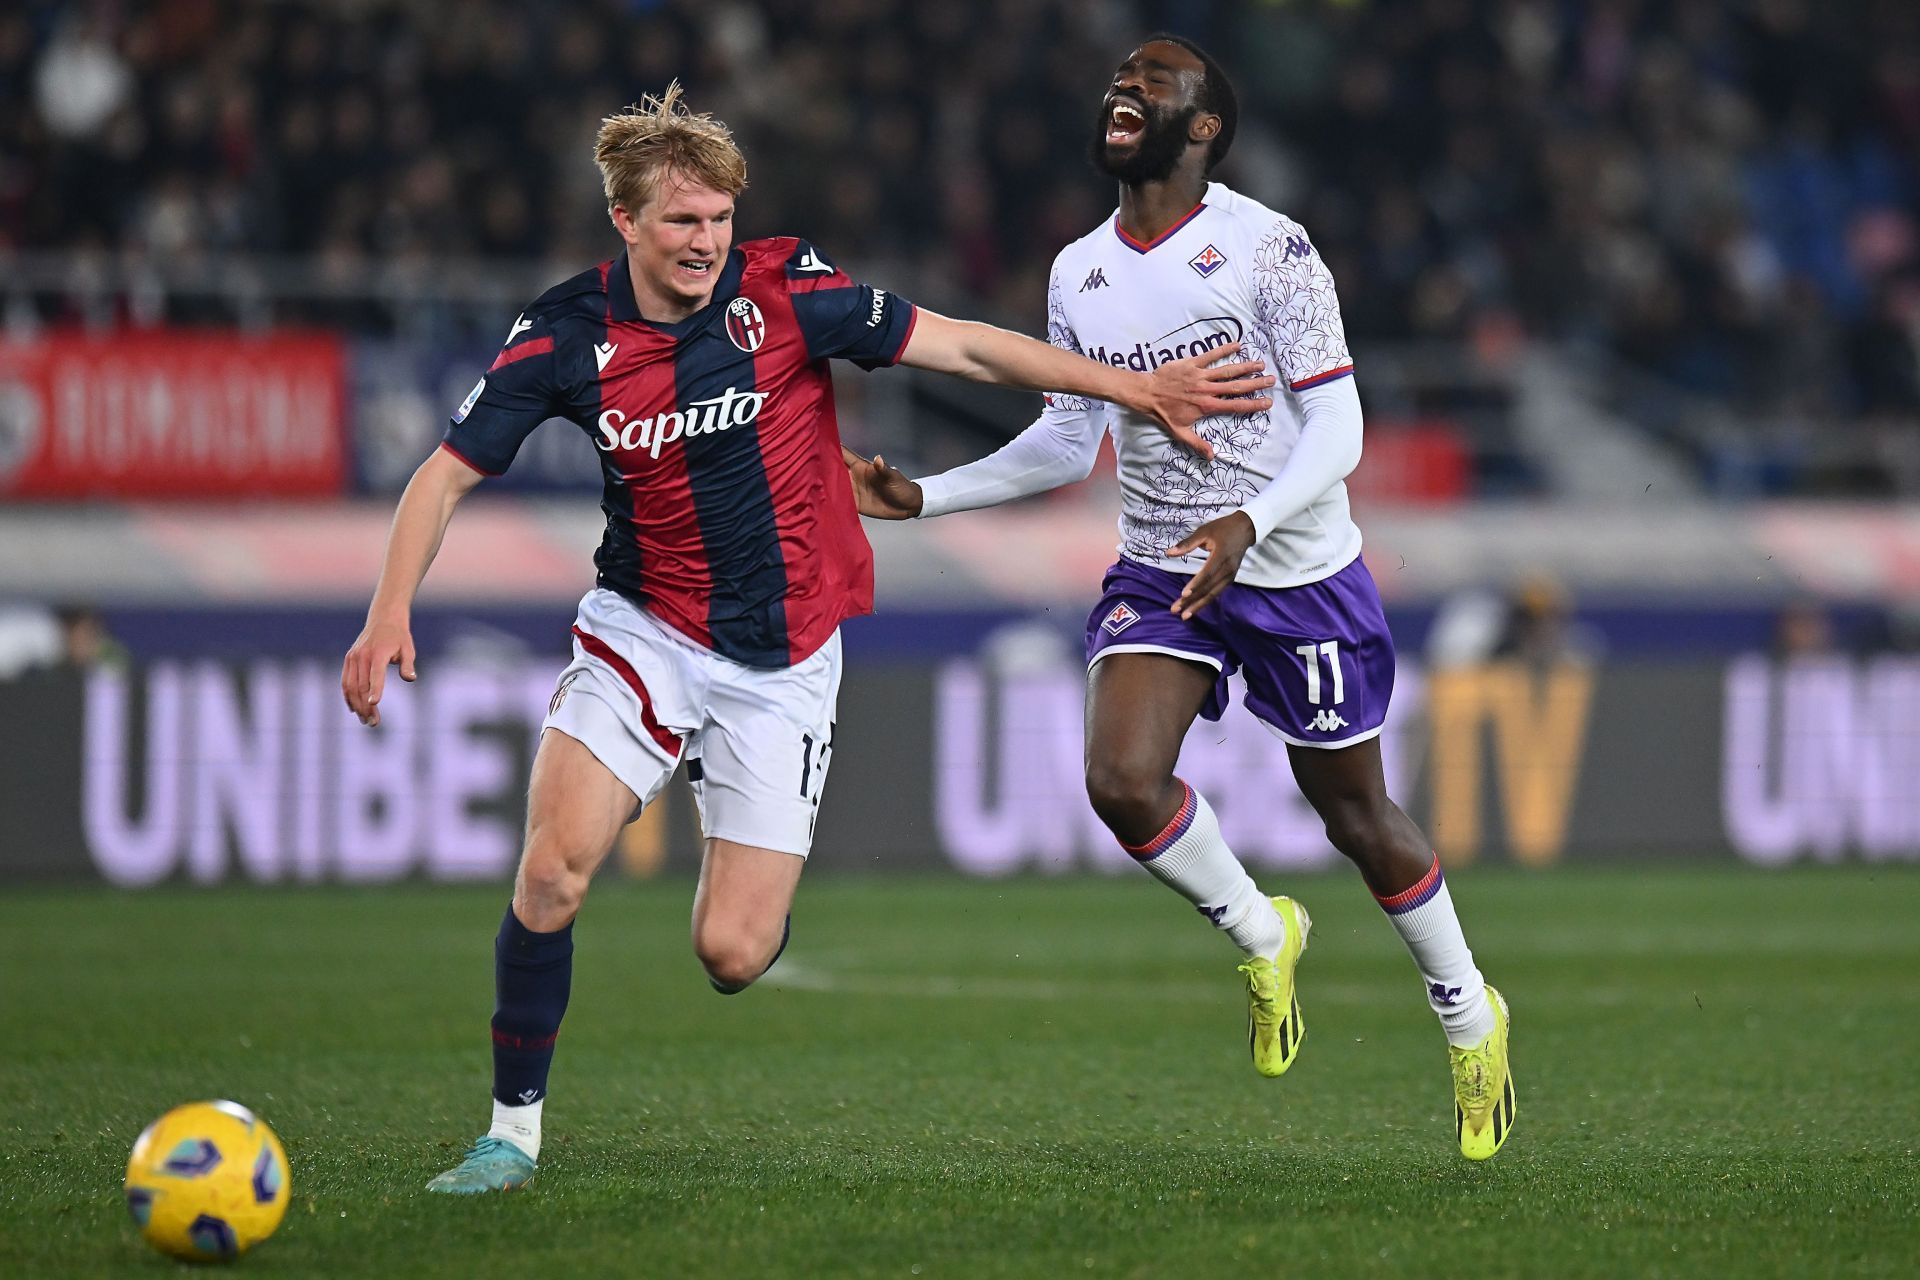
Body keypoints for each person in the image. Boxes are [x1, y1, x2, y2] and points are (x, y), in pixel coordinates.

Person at [339, 83, 1274, 1195]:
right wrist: (387, 606)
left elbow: (968, 350)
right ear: (626, 223)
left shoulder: (787, 289)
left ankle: (741, 849)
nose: (705, 242)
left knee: (732, 954)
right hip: (644, 626)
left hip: (782, 658)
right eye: (681, 221)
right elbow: (444, 476)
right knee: (550, 873)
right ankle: (510, 1134)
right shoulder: (562, 335)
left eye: (719, 219)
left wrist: (1134, 389)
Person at [848, 35, 1516, 1160]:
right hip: (1163, 561)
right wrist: (929, 498)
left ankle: (1469, 1012)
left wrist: (1251, 519)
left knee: (1356, 814)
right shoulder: (1077, 271)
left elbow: (1339, 426)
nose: (1124, 89)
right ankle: (1264, 931)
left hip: (1295, 569)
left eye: (1153, 83)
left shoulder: (1271, 250)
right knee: (1120, 778)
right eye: (1119, 77)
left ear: (1203, 127)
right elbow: (1069, 441)